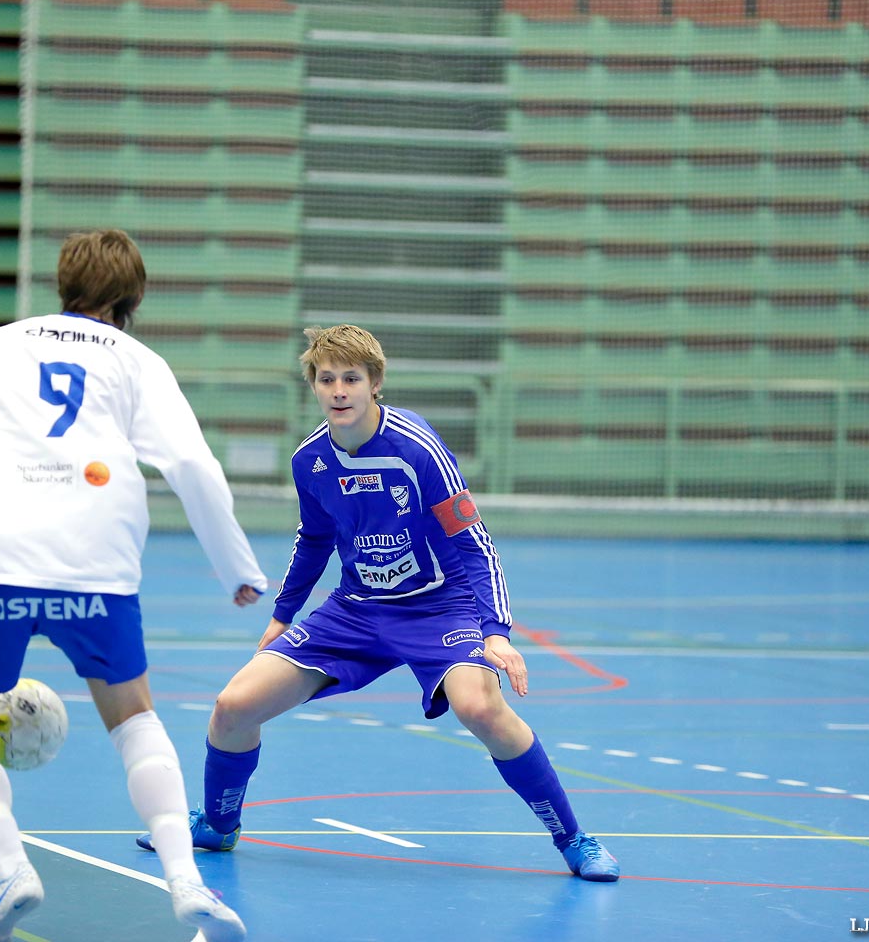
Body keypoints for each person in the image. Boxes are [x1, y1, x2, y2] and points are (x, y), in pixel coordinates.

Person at [0, 229, 267, 942]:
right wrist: (237, 566)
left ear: (62, 283)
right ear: (136, 296)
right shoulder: (140, 361)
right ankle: (186, 880)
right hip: (98, 558)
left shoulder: (0, 343)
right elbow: (192, 464)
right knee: (135, 721)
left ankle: (10, 869)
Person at [137, 323, 620, 882]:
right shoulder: (310, 461)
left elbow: (472, 539)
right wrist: (282, 617)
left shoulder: (418, 448)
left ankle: (573, 838)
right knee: (233, 707)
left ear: (375, 383)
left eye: (351, 378)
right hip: (357, 610)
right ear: (313, 387)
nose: (338, 389)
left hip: (442, 607)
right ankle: (218, 827)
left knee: (482, 708)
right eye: (326, 379)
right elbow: (313, 540)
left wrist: (495, 631)